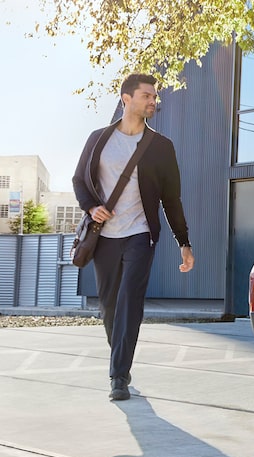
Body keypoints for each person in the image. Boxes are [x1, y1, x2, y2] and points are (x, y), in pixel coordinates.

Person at [72, 73, 195, 401]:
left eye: (155, 97)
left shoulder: (161, 147)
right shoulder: (99, 139)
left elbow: (172, 199)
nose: (153, 101)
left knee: (130, 302)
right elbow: (79, 180)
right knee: (109, 307)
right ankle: (120, 359)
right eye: (146, 96)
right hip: (104, 237)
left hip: (140, 235)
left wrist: (184, 242)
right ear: (126, 99)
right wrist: (91, 207)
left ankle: (118, 376)